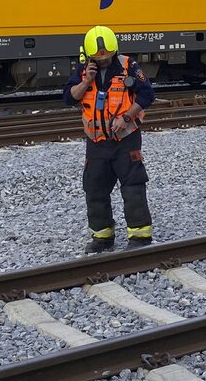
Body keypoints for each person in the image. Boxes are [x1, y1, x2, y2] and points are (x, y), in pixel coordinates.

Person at [65, 25, 156, 253]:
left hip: (126, 138)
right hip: (96, 142)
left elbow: (147, 94)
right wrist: (86, 81)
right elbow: (68, 98)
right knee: (94, 189)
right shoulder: (83, 71)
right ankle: (102, 237)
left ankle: (140, 237)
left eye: (107, 56)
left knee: (133, 186)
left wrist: (126, 117)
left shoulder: (128, 66)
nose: (104, 60)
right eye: (98, 57)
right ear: (89, 56)